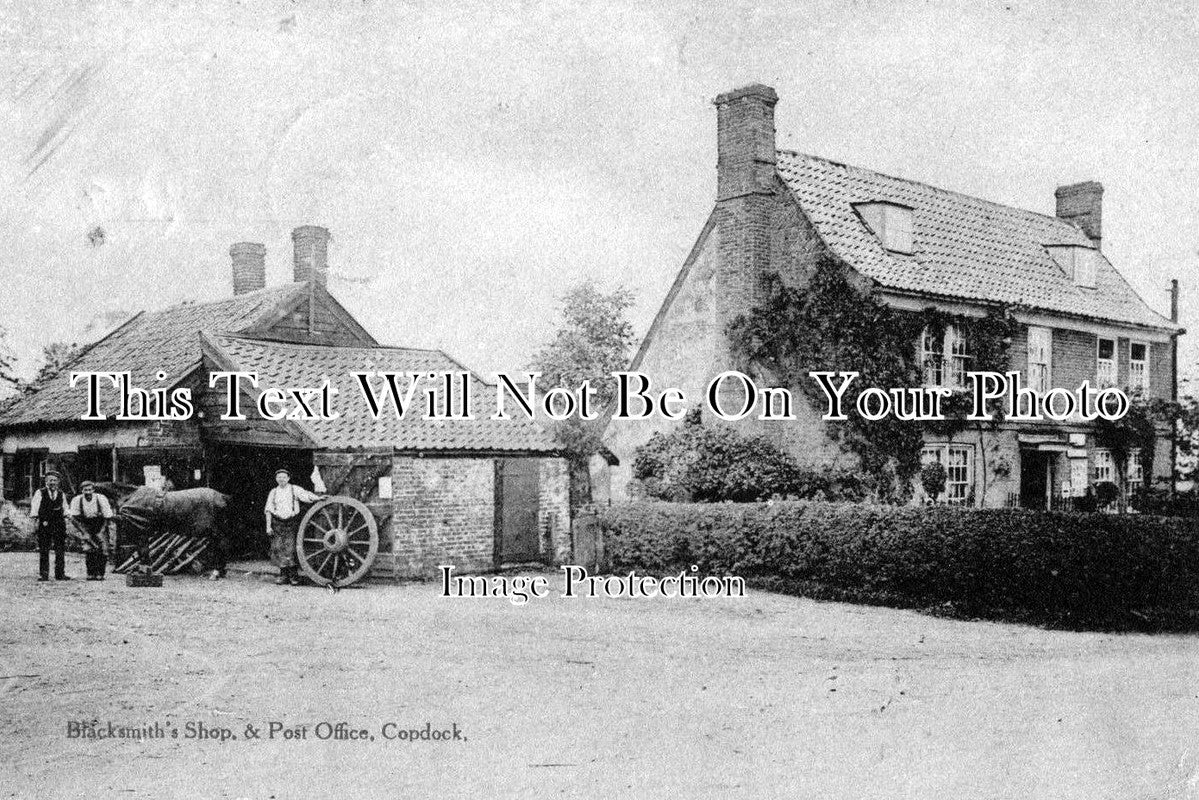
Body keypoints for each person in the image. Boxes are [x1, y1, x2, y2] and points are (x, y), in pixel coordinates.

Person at [264, 468, 324, 585]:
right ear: (276, 479)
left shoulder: (294, 489)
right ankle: (283, 576)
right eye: (279, 477)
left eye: (284, 477)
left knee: (290, 549)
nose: (281, 479)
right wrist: (268, 526)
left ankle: (293, 576)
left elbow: (306, 495)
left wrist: (318, 498)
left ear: (288, 478)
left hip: (291, 523)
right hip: (277, 523)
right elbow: (268, 510)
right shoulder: (273, 492)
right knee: (278, 548)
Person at [69, 480, 115, 580]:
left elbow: (108, 516)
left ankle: (100, 573)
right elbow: (73, 518)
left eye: (90, 490)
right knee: (89, 549)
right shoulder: (77, 500)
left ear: (93, 490)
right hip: (86, 525)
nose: (88, 492)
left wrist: (102, 531)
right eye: (85, 490)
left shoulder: (101, 498)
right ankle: (91, 573)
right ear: (82, 491)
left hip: (100, 524)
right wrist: (84, 532)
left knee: (103, 549)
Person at [30, 472, 70, 581]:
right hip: (45, 523)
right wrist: (35, 522)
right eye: (50, 480)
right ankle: (44, 574)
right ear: (46, 481)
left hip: (59, 523)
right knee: (44, 549)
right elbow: (35, 508)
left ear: (58, 482)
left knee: (60, 549)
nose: (52, 482)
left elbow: (65, 508)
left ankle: (60, 574)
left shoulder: (61, 494)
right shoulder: (40, 492)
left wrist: (67, 518)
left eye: (54, 480)